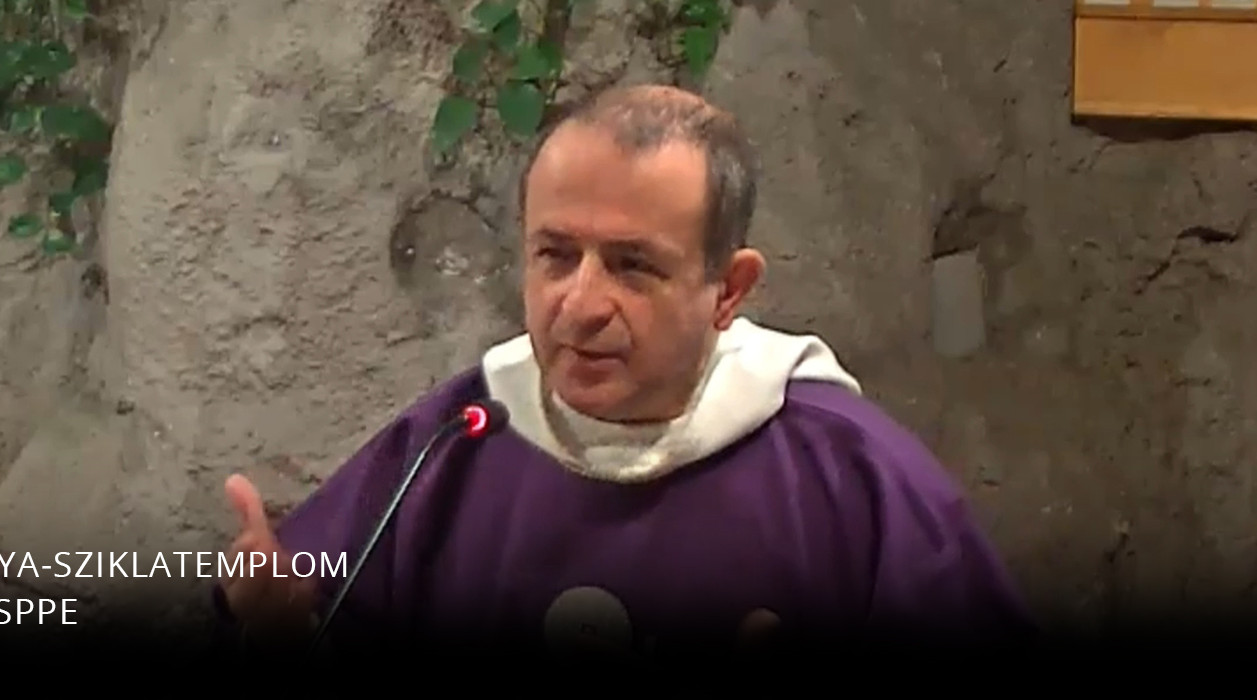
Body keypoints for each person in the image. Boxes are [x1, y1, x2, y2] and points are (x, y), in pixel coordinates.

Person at [213, 84, 1036, 656]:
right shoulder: (453, 443)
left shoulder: (851, 478)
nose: (580, 305)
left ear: (728, 289)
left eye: (632, 265)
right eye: (555, 255)